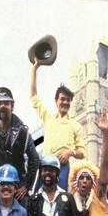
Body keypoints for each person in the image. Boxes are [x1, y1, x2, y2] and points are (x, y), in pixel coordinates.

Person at [30, 59, 86, 190]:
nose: (65, 102)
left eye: (68, 100)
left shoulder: (76, 125)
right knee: (38, 197)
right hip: (45, 165)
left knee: (60, 200)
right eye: (62, 99)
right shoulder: (47, 118)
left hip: (63, 168)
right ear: (56, 101)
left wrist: (70, 152)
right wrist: (34, 69)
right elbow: (33, 96)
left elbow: (82, 152)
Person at [0, 87, 39, 204]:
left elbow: (34, 158)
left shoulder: (22, 130)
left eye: (6, 103)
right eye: (0, 103)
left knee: (25, 207)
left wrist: (27, 186)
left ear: (12, 106)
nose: (2, 105)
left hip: (18, 176)